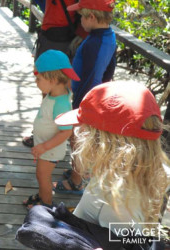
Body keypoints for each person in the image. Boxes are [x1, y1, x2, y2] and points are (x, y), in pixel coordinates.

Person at [17, 81, 169, 250]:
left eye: (86, 127)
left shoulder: (115, 190)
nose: (78, 132)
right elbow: (137, 238)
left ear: (105, 142)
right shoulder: (156, 173)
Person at [53, 0, 117, 195]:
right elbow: (109, 70)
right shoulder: (109, 36)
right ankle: (78, 171)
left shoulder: (94, 43)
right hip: (95, 98)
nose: (79, 20)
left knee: (77, 139)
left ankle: (76, 181)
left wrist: (78, 109)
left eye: (81, 16)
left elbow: (90, 78)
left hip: (85, 101)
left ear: (91, 17)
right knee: (82, 138)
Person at [22, 0, 89, 147]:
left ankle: (49, 135)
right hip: (71, 37)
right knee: (64, 86)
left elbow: (41, 4)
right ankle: (60, 131)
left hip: (54, 38)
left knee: (49, 85)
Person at [22, 50, 80, 209]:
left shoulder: (61, 104)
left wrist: (43, 147)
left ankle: (45, 206)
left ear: (53, 79)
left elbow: (66, 131)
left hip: (50, 149)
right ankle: (42, 196)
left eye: (38, 78)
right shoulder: (55, 93)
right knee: (41, 175)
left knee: (42, 176)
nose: (36, 82)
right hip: (46, 147)